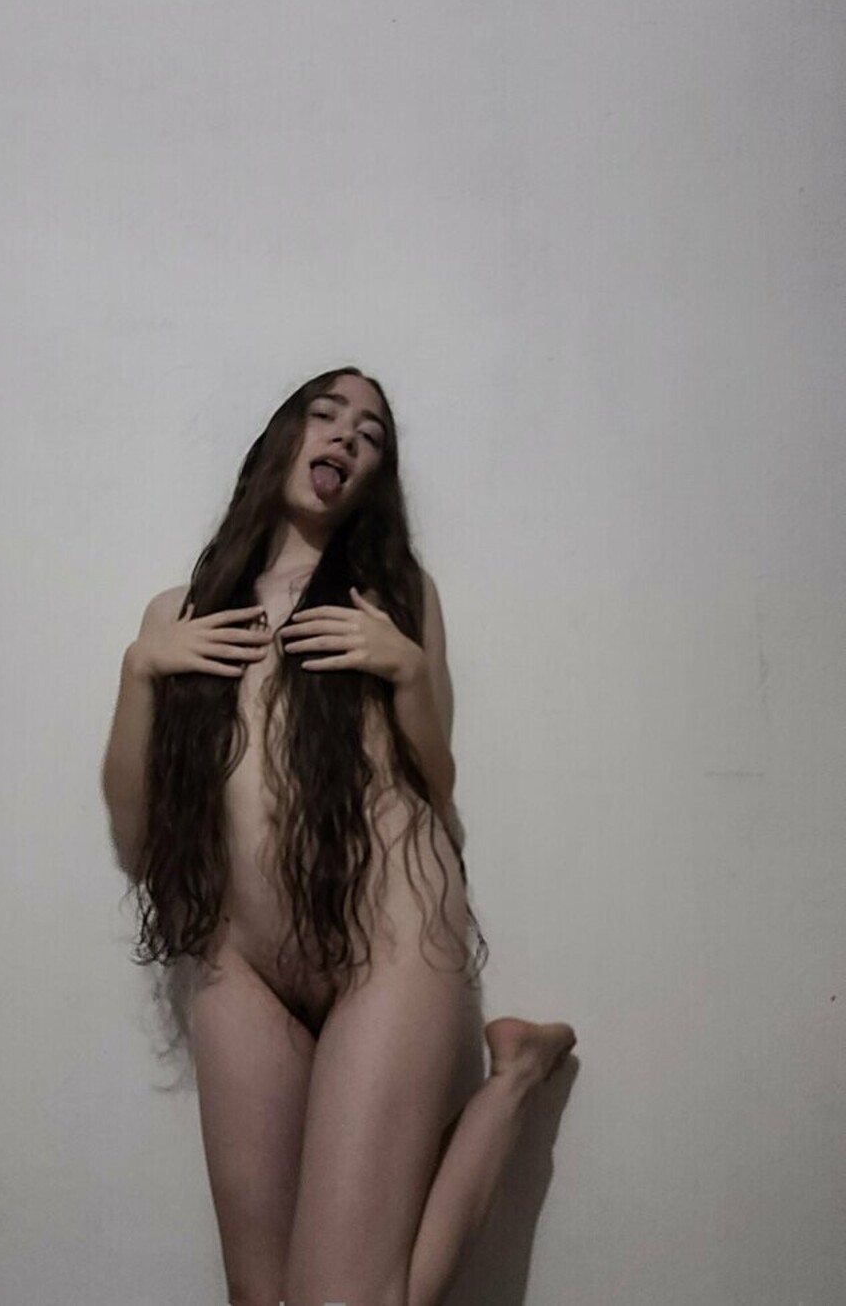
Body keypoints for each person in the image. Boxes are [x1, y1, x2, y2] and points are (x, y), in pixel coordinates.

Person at [101, 366, 577, 1306]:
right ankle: (517, 1066)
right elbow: (134, 825)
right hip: (243, 959)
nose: (348, 435)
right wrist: (138, 670)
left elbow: (438, 779)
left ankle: (515, 1080)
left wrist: (409, 672)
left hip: (386, 932)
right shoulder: (176, 614)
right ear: (282, 438)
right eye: (325, 415)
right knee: (262, 1297)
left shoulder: (391, 596)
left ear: (372, 477)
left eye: (370, 433)